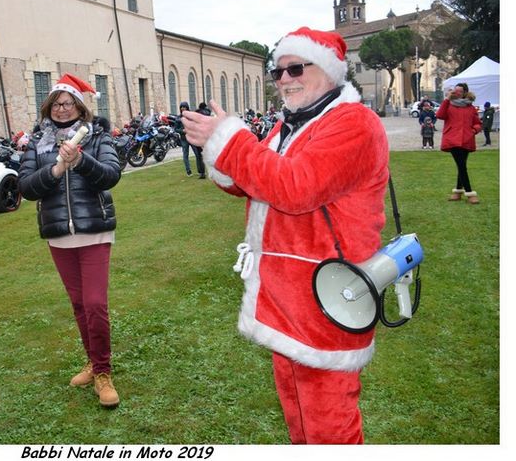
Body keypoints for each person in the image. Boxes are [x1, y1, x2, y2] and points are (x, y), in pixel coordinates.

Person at [182, 27, 389, 444]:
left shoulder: (353, 122)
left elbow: (295, 187)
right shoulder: (293, 123)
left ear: (328, 71)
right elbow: (257, 178)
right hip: (289, 290)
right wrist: (218, 150)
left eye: (296, 68)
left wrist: (229, 140)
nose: (285, 79)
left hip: (328, 293)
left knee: (329, 423)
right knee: (298, 413)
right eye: (278, 72)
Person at [17, 73, 122, 408]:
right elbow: (26, 187)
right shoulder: (38, 142)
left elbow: (111, 175)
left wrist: (81, 161)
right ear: (48, 108)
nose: (62, 109)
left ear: (79, 105)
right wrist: (57, 169)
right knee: (78, 305)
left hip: (94, 230)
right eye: (56, 104)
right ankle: (92, 362)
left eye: (67, 103)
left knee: (95, 304)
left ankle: (103, 372)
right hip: (59, 234)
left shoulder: (97, 136)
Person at [435, 82, 482, 204]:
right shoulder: (449, 105)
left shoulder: (471, 108)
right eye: (455, 91)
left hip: (467, 139)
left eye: (460, 91)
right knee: (461, 166)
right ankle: (470, 193)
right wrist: (446, 99)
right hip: (452, 139)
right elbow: (439, 115)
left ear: (465, 92)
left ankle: (457, 192)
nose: (457, 93)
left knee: (462, 166)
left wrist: (474, 130)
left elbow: (477, 123)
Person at [175, 102, 205, 178]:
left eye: (184, 107)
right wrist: (182, 131)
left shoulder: (191, 116)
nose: (183, 108)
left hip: (192, 137)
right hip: (184, 139)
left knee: (197, 154)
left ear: (187, 108)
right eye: (181, 107)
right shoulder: (178, 118)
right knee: (185, 155)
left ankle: (200, 171)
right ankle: (188, 171)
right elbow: (176, 129)